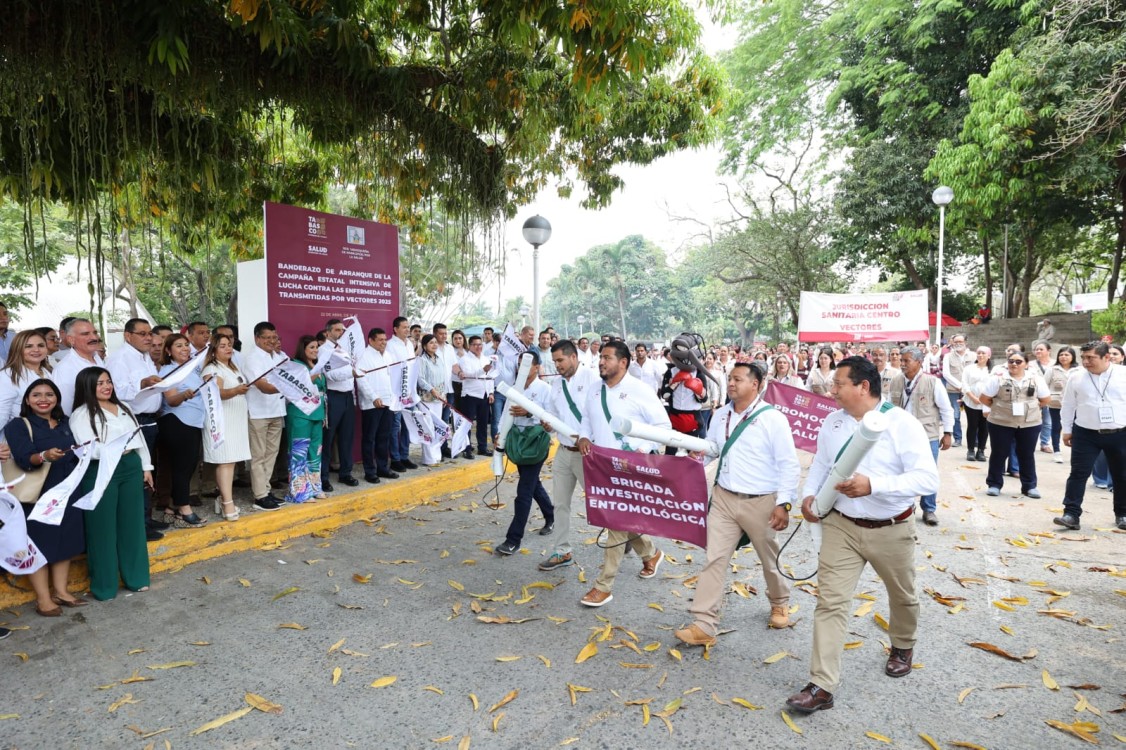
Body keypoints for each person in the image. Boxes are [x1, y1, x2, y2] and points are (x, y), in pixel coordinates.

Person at [785, 357, 938, 714]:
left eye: (838, 384)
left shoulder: (902, 424)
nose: (832, 390)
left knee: (903, 596)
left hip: (892, 527)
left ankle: (902, 643)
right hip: (842, 525)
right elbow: (822, 464)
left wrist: (874, 486)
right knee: (830, 602)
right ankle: (822, 685)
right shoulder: (833, 422)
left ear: (863, 387)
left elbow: (928, 480)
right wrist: (810, 495)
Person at [674, 362, 799, 647]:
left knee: (769, 558)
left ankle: (780, 602)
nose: (731, 383)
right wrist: (691, 463)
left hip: (761, 502)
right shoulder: (721, 415)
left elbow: (789, 465)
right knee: (714, 558)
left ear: (755, 384)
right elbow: (713, 450)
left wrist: (784, 504)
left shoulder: (772, 418)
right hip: (724, 499)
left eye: (738, 379)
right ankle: (704, 623)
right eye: (730, 378)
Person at [576, 340, 668, 608]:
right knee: (625, 518)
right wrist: (584, 436)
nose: (601, 362)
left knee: (616, 524)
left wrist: (641, 450)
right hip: (603, 467)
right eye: (600, 358)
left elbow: (662, 424)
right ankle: (650, 554)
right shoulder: (595, 390)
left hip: (631, 467)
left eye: (606, 358)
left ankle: (603, 586)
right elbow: (586, 418)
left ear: (623, 362)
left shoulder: (640, 390)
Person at [2, 379, 88, 615]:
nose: (43, 399)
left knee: (66, 540)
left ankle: (61, 591)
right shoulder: (18, 425)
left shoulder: (66, 423)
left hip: (69, 488)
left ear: (57, 399)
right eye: (37, 395)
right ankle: (43, 599)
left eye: (49, 394)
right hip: (38, 493)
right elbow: (22, 457)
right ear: (27, 400)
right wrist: (44, 455)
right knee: (39, 544)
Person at [70, 368, 152, 600]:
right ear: (87, 387)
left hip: (130, 466)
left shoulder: (124, 408)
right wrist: (115, 448)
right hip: (101, 470)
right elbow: (86, 449)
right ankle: (104, 586)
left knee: (132, 524)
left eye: (108, 382)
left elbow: (139, 439)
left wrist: (146, 467)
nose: (106, 387)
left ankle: (137, 578)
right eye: (99, 384)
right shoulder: (81, 414)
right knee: (102, 528)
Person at [538, 340, 601, 571]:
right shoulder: (555, 384)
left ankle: (626, 538)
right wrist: (549, 425)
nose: (557, 365)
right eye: (555, 361)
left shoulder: (593, 380)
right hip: (563, 452)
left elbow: (599, 416)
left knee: (601, 501)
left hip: (587, 453)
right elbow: (554, 415)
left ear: (573, 357)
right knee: (561, 504)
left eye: (560, 360)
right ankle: (562, 551)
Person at [1055, 341, 1126, 531]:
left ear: (1107, 357)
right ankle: (1071, 514)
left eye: (1091, 358)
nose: (1086, 362)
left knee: (1122, 475)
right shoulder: (1076, 377)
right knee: (1078, 474)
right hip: (1085, 433)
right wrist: (1067, 429)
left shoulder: (1123, 375)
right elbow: (1068, 404)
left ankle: (1122, 514)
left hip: (1119, 433)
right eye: (1084, 357)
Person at [106, 318, 166, 537]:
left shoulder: (144, 357)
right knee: (138, 473)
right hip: (134, 421)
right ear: (127, 335)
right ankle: (138, 524)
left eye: (149, 333)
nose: (148, 338)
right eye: (142, 334)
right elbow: (116, 392)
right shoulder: (120, 359)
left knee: (149, 471)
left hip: (150, 419)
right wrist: (142, 384)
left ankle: (146, 519)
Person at [494, 350, 554, 555]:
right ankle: (550, 514)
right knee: (532, 483)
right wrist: (499, 434)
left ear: (537, 367)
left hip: (536, 443)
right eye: (520, 364)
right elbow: (505, 413)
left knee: (524, 490)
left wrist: (529, 412)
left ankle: (513, 539)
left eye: (527, 364)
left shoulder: (545, 389)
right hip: (518, 442)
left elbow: (551, 418)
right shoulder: (515, 388)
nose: (522, 368)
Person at [155, 334, 212, 525]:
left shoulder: (193, 368)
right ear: (168, 351)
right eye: (178, 346)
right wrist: (184, 396)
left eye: (186, 345)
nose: (185, 348)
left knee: (189, 467)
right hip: (177, 422)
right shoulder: (168, 370)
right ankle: (184, 510)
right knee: (182, 468)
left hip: (194, 422)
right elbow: (171, 399)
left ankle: (172, 506)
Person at [980, 350, 1049, 499]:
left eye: (1018, 362)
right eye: (1011, 361)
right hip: (1000, 422)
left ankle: (1029, 486)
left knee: (1026, 454)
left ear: (1026, 364)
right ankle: (994, 484)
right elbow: (984, 398)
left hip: (1029, 423)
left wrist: (1030, 408)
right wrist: (999, 409)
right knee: (999, 453)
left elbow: (1045, 399)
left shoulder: (1036, 379)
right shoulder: (997, 379)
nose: (1014, 364)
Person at [899, 346, 954, 525]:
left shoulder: (933, 382)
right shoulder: (896, 381)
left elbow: (946, 409)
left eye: (906, 361)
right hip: (902, 436)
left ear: (919, 362)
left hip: (927, 435)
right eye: (902, 360)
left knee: (928, 472)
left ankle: (929, 509)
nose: (902, 364)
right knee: (901, 471)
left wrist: (947, 433)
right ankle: (904, 508)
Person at [201, 332, 254, 516]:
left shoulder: (233, 367)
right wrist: (236, 390)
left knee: (230, 461)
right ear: (213, 350)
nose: (228, 348)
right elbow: (217, 393)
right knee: (225, 461)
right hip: (222, 420)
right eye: (222, 346)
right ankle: (227, 503)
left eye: (229, 345)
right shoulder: (211, 369)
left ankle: (222, 499)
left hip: (236, 419)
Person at [242, 323, 286, 510]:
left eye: (274, 337)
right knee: (258, 456)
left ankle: (266, 490)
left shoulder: (278, 357)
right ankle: (259, 496)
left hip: (277, 410)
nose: (271, 341)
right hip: (259, 413)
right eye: (266, 337)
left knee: (271, 454)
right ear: (257, 338)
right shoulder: (252, 359)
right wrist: (289, 387)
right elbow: (263, 386)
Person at [285, 335, 328, 502]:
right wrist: (312, 376)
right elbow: (295, 387)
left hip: (317, 414)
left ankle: (315, 487)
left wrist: (324, 415)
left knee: (315, 452)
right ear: (303, 349)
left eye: (317, 347)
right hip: (300, 415)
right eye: (311, 347)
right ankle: (299, 491)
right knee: (298, 452)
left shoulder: (318, 366)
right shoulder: (296, 365)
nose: (315, 350)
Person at [320, 319, 358, 491]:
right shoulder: (323, 351)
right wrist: (351, 371)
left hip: (348, 396)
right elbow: (330, 375)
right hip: (332, 396)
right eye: (336, 330)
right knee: (327, 438)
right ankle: (323, 477)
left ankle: (345, 473)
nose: (340, 333)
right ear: (327, 333)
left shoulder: (344, 349)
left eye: (342, 330)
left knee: (346, 437)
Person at [356, 328, 397, 482]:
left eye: (385, 340)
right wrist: (373, 397)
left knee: (384, 437)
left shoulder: (388, 355)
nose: (383, 343)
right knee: (369, 439)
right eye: (380, 340)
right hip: (372, 404)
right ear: (371, 340)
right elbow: (361, 379)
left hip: (388, 402)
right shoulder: (364, 357)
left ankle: (382, 468)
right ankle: (370, 471)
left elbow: (393, 376)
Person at [53, 318, 105, 417]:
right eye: (85, 334)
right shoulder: (64, 368)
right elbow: (65, 408)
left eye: (95, 332)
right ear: (71, 339)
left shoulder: (97, 358)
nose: (94, 337)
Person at [386, 316, 419, 472]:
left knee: (408, 424)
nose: (407, 330)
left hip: (409, 391)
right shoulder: (390, 345)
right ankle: (395, 458)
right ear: (395, 329)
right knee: (395, 426)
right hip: (396, 392)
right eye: (404, 327)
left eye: (408, 327)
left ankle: (404, 456)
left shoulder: (409, 345)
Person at [0, 330, 53, 425]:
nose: (36, 350)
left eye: (41, 345)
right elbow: (1, 414)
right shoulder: (7, 375)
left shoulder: (50, 371)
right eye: (28, 346)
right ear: (17, 349)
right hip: (22, 434)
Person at [455, 335, 495, 458]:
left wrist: (491, 392)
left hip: (484, 394)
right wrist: (483, 370)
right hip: (470, 395)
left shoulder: (486, 358)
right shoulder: (465, 359)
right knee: (467, 423)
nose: (478, 347)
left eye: (480, 344)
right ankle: (466, 448)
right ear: (470, 345)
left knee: (483, 423)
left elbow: (490, 377)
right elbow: (468, 375)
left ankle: (482, 447)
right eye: (475, 345)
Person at [415, 334, 447, 466]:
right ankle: (428, 458)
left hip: (439, 398)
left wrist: (443, 395)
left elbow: (443, 378)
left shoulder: (439, 359)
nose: (434, 345)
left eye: (435, 342)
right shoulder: (421, 360)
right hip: (426, 398)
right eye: (431, 343)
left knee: (437, 426)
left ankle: (436, 455)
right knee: (427, 427)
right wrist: (432, 390)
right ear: (424, 346)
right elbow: (420, 379)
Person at [961, 346, 993, 462]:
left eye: (983, 353)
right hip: (971, 401)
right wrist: (973, 397)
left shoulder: (992, 370)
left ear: (988, 355)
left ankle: (981, 450)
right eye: (978, 353)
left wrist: (987, 399)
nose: (980, 355)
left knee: (984, 427)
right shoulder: (969, 368)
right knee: (972, 425)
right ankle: (970, 450)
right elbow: (965, 384)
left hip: (987, 403)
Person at [1046, 346, 1078, 464]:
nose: (1063, 357)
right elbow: (1044, 385)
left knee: (1076, 428)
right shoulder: (1052, 370)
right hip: (1056, 403)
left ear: (1073, 357)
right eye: (1061, 355)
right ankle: (1057, 451)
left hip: (1075, 405)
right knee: (1056, 427)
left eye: (1067, 355)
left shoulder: (1079, 370)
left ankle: (1075, 451)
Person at [941, 333, 973, 447]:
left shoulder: (974, 356)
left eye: (961, 342)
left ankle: (975, 441)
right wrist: (960, 386)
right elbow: (946, 374)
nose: (958, 344)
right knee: (955, 415)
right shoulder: (947, 356)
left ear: (966, 343)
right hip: (953, 390)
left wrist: (967, 388)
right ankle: (957, 439)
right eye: (956, 342)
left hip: (971, 392)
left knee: (974, 416)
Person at [1030, 340, 1056, 457]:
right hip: (1033, 396)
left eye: (1041, 349)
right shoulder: (1030, 364)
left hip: (1049, 396)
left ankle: (1044, 443)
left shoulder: (1055, 364)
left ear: (1049, 351)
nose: (1038, 351)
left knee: (1047, 421)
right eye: (1036, 349)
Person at [449, 329, 467, 411]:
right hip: (454, 383)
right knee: (456, 408)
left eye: (460, 338)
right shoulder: (450, 351)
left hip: (467, 384)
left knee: (466, 408)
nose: (458, 340)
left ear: (463, 339)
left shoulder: (468, 351)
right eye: (455, 338)